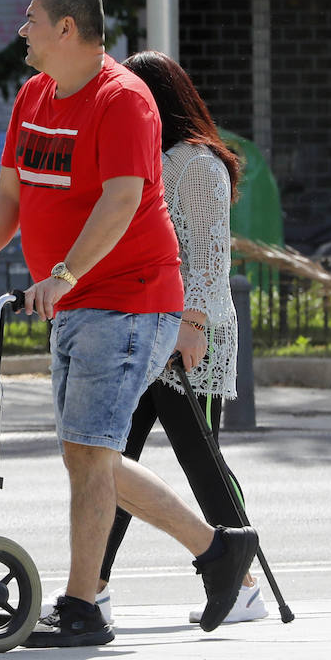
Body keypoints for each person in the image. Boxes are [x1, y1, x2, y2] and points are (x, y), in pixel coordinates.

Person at [0, 0, 257, 648]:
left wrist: (63, 274)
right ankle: (217, 550)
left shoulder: (125, 101)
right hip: (79, 303)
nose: (21, 31)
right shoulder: (34, 97)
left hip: (130, 298)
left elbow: (121, 201)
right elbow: (9, 195)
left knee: (90, 452)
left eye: (31, 20)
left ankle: (84, 605)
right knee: (86, 453)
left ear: (68, 29)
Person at [100, 50, 267, 624]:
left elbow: (211, 257)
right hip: (146, 331)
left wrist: (192, 325)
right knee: (117, 459)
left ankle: (242, 583)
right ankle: (92, 584)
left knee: (200, 459)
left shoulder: (197, 165)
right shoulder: (145, 161)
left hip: (191, 336)